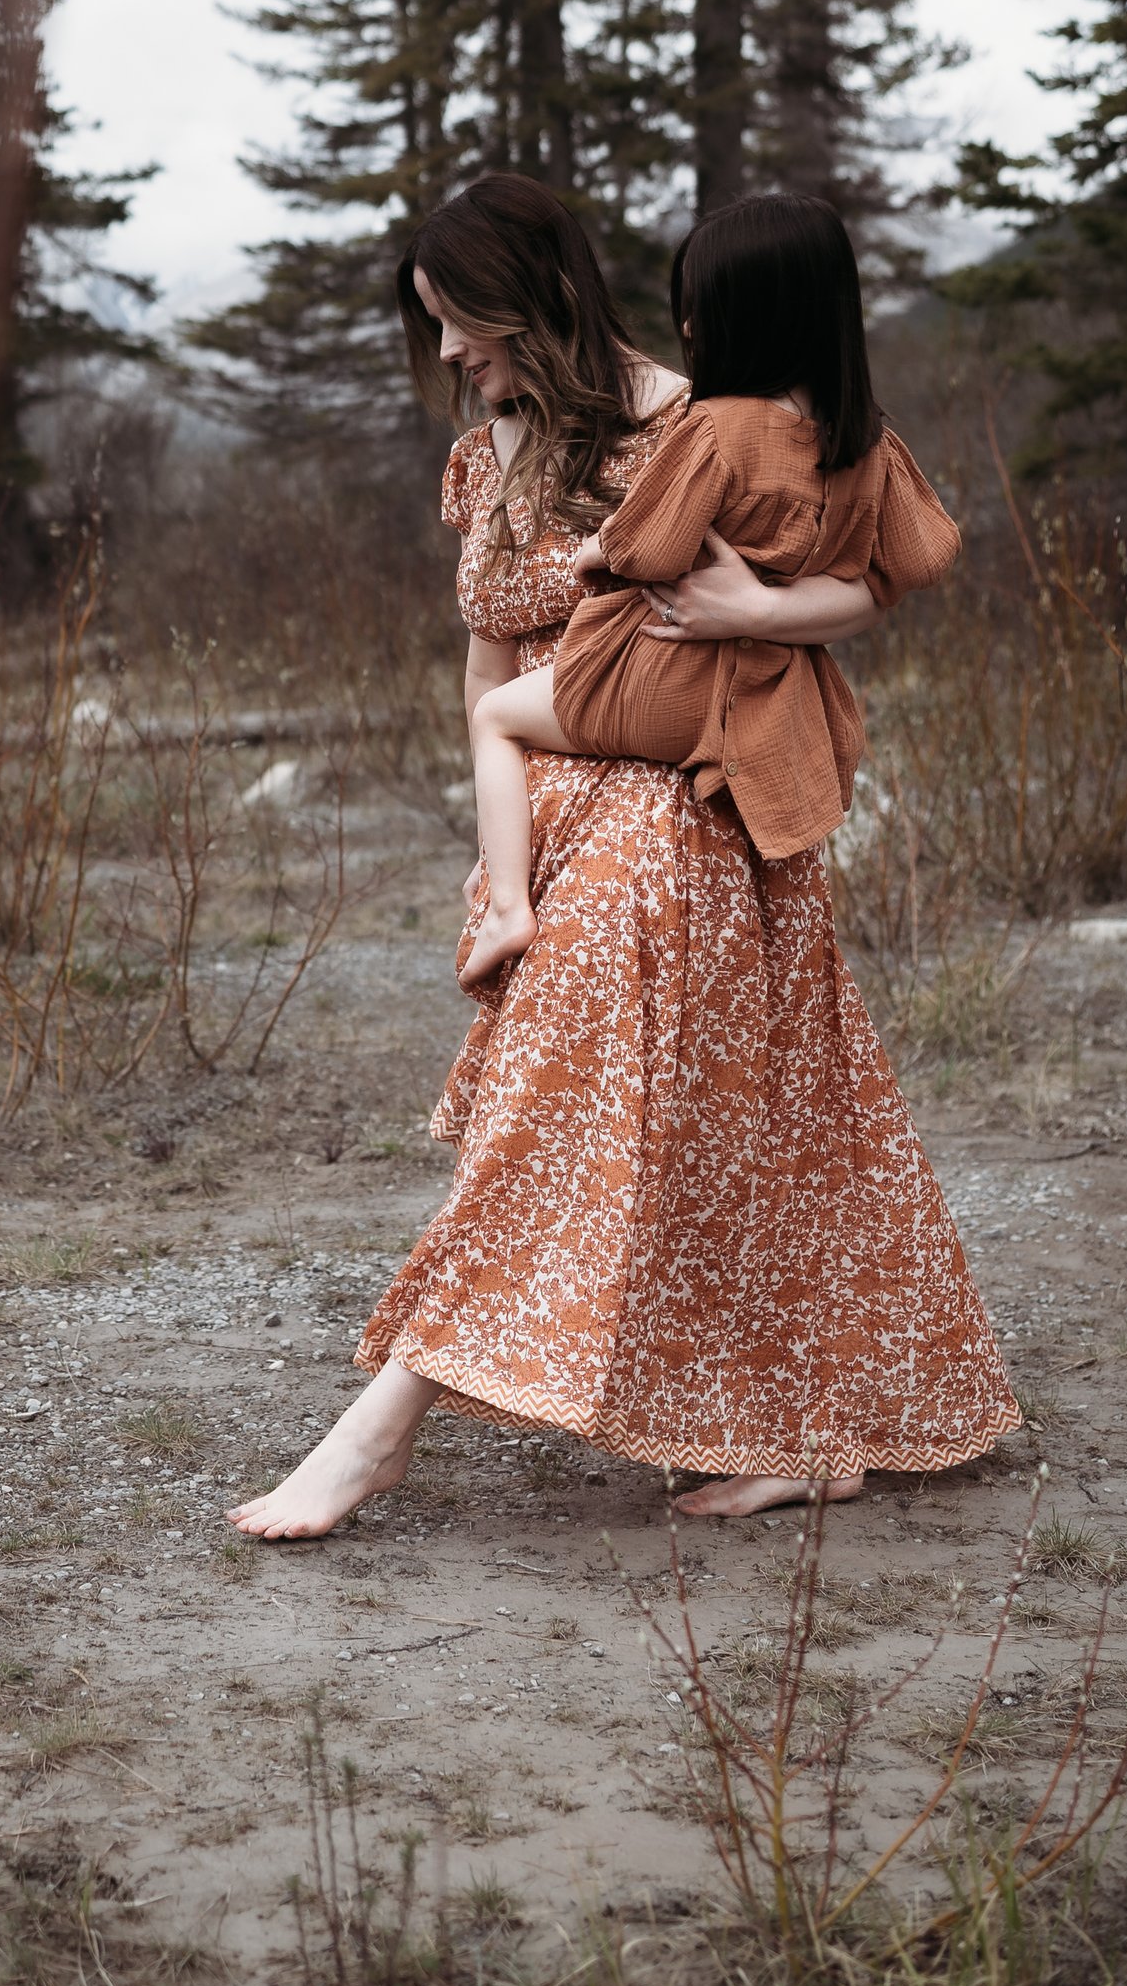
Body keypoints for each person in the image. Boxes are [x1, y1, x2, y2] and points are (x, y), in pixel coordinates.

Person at [227, 171, 1019, 1541]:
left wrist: (764, 605)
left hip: (680, 798)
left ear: (529, 295)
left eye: (458, 321)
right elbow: (486, 656)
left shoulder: (692, 415)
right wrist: (501, 860)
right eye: (430, 327)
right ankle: (803, 1434)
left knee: (581, 1109)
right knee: (744, 1141)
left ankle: (378, 1430)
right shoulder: (485, 457)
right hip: (557, 799)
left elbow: (822, 594)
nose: (448, 353)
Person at [459, 192, 960, 992]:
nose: (687, 329)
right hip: (768, 689)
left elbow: (651, 544)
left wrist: (597, 555)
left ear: (749, 317)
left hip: (663, 674)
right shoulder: (872, 447)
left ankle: (508, 905)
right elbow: (924, 559)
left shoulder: (717, 429)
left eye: (698, 309)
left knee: (495, 716)